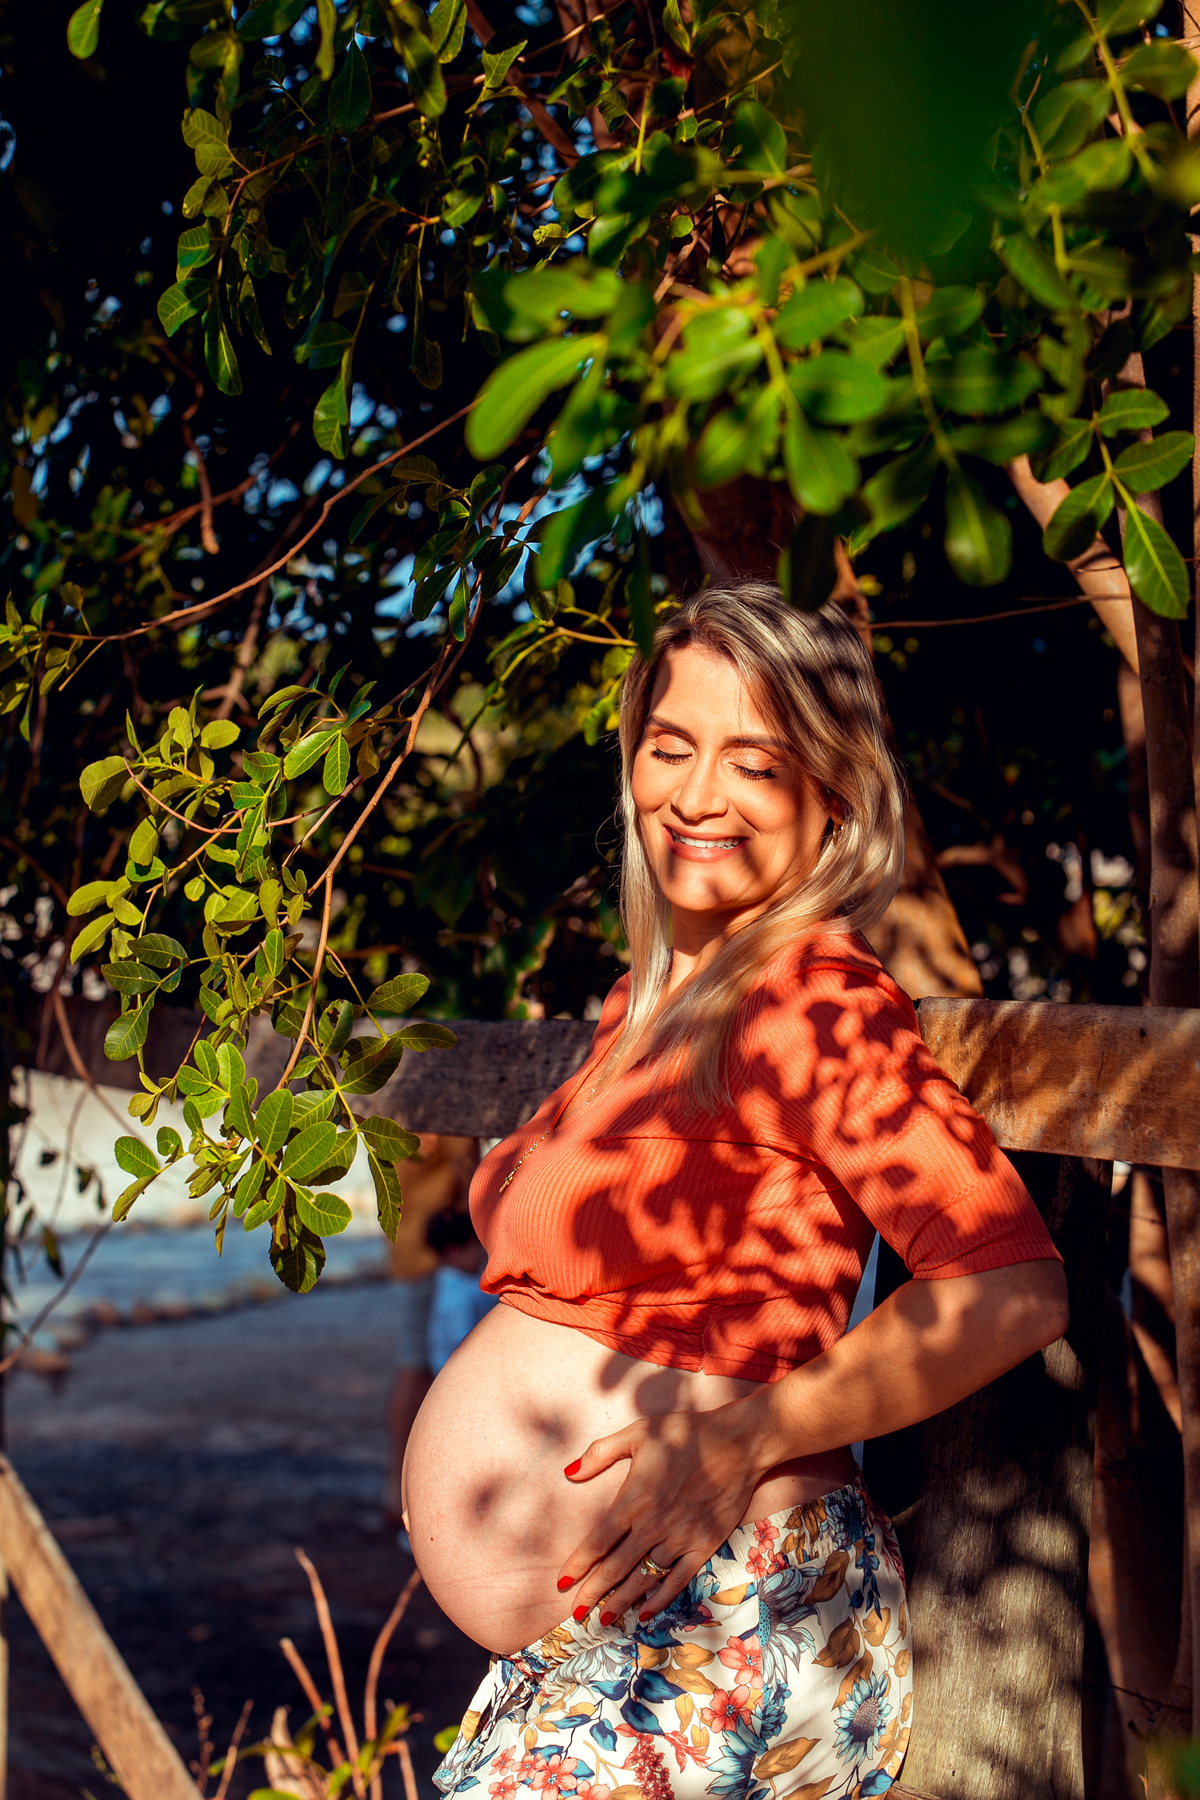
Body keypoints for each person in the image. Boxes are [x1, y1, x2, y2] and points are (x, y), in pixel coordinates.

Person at [402, 583, 1067, 1800]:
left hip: (736, 1612)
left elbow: (1010, 1286)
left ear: (832, 801)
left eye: (752, 762)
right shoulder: (648, 1001)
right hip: (632, 1636)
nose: (696, 795)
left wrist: (744, 1439)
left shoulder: (811, 1000)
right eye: (672, 745)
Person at [383, 1132, 477, 1527]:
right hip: (432, 1251)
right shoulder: (423, 1105)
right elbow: (463, 1169)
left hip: (426, 1248)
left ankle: (403, 1489)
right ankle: (400, 1490)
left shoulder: (393, 1093)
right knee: (420, 1367)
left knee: (425, 1367)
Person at [425, 1205, 500, 1373]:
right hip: (460, 1371)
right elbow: (463, 1342)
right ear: (453, 1253)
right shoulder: (456, 1298)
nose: (481, 1252)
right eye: (474, 1246)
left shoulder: (461, 1282)